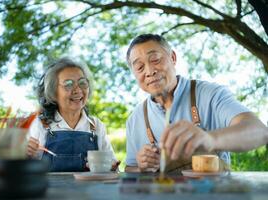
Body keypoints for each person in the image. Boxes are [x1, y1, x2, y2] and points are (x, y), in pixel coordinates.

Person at [124, 34, 268, 173]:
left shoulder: (211, 94)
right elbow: (129, 169)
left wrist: (210, 139)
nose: (149, 71)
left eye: (155, 59)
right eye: (140, 67)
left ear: (173, 58)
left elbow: (260, 132)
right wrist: (141, 167)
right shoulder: (134, 119)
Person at [27, 57, 119, 172]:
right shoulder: (39, 124)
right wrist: (25, 156)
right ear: (53, 92)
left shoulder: (96, 126)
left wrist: (111, 167)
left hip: (89, 190)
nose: (77, 90)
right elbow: (23, 169)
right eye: (68, 84)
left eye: (82, 83)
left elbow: (113, 168)